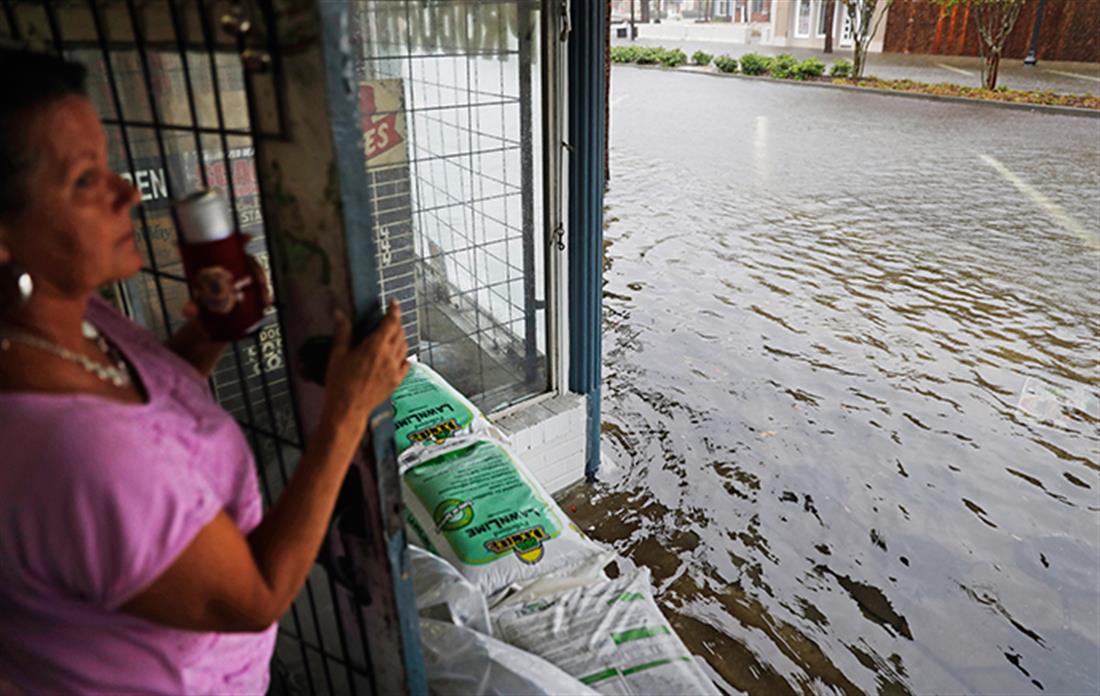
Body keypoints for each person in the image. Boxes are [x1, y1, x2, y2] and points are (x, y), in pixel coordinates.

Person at [0, 47, 410, 693]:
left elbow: (148, 418)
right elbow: (253, 597)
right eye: (84, 180)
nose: (127, 192)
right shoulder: (70, 450)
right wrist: (347, 412)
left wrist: (208, 333)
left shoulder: (57, 320)